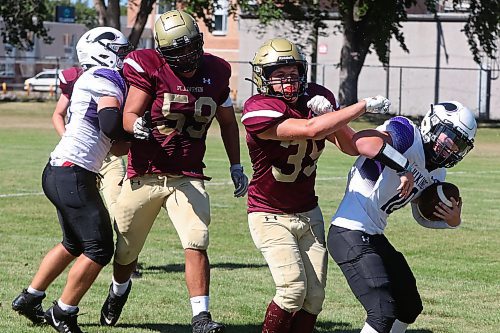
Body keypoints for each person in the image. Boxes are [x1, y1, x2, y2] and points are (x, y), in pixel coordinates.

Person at [99, 10, 248, 333]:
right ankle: (119, 289)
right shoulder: (148, 65)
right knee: (126, 251)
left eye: (189, 47)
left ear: (200, 41)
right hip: (146, 173)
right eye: (176, 51)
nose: (185, 56)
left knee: (197, 238)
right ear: (164, 52)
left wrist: (236, 164)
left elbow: (227, 123)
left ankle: (201, 317)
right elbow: (130, 112)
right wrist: (133, 125)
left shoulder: (217, 71)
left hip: (188, 173)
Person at [241, 37, 390, 333]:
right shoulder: (258, 107)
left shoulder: (316, 100)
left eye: (293, 73)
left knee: (315, 299)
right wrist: (359, 107)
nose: (288, 81)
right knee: (292, 290)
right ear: (264, 78)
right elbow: (309, 130)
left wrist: (330, 115)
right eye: (279, 75)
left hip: (308, 213)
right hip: (269, 213)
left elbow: (350, 147)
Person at [11, 27, 133, 333]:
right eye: (119, 50)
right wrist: (138, 128)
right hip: (72, 171)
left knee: (74, 243)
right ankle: (63, 312)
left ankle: (30, 297)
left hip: (62, 169)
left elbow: (116, 145)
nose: (124, 56)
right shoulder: (105, 77)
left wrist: (134, 135)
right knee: (100, 248)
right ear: (101, 51)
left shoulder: (94, 77)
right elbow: (109, 124)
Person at [327, 101, 477, 333]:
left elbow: (421, 215)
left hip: (373, 235)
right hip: (349, 230)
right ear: (431, 124)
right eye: (448, 137)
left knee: (409, 306)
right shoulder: (407, 132)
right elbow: (364, 143)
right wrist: (403, 166)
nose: (451, 148)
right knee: (382, 311)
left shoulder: (437, 172)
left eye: (459, 145)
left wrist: (452, 221)